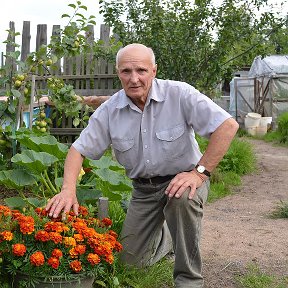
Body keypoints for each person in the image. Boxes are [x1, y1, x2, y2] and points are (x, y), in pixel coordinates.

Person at [46, 43, 239, 288]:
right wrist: (68, 189)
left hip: (183, 181)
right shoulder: (110, 111)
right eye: (126, 71)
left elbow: (227, 126)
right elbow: (78, 150)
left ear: (154, 71)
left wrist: (199, 173)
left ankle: (189, 280)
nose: (134, 78)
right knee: (129, 263)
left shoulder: (180, 94)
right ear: (118, 73)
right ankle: (167, 239)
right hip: (144, 191)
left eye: (141, 70)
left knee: (182, 200)